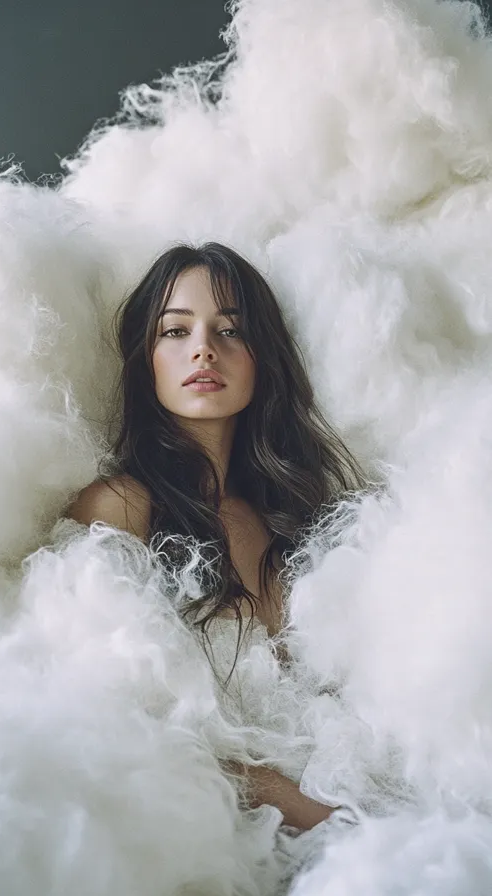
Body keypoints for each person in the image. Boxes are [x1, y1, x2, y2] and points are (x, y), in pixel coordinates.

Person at [67, 242, 366, 831]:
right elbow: (131, 723)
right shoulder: (122, 508)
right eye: (175, 331)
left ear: (262, 358)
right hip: (205, 832)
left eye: (230, 330)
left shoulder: (286, 516)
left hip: (327, 810)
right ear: (143, 358)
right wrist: (337, 823)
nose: (204, 347)